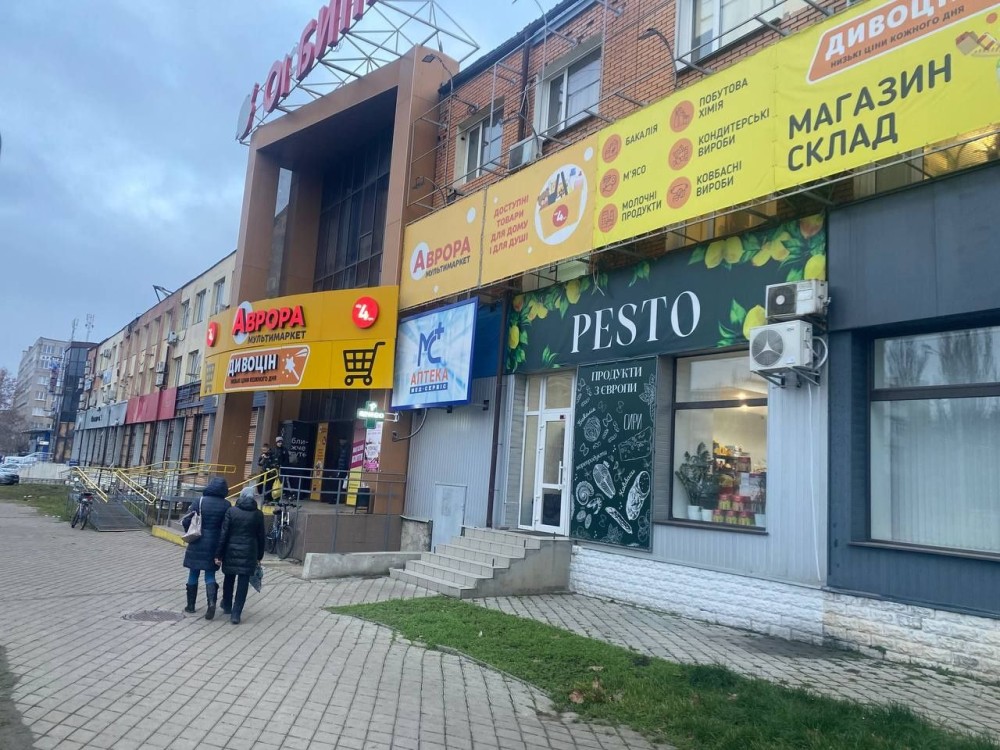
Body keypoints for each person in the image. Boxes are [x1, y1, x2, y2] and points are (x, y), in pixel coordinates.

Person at [215, 486, 265, 625]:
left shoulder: (231, 511)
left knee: (229, 578)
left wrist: (219, 554)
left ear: (241, 497)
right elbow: (261, 537)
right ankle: (236, 614)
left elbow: (224, 534)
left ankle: (227, 605)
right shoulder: (258, 514)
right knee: (243, 582)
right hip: (249, 552)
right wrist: (259, 556)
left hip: (231, 550)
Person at [182, 476, 230, 620]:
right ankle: (211, 604)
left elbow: (187, 520)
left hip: (197, 541)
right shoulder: (226, 505)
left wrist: (189, 531)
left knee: (193, 573)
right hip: (214, 543)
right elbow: (226, 527)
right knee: (210, 575)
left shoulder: (200, 501)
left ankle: (191, 606)